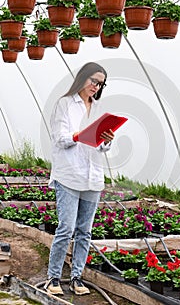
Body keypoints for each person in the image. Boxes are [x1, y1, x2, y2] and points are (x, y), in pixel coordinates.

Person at [44, 62, 114, 296]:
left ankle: (77, 277)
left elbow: (102, 147)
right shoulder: (65, 104)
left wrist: (106, 139)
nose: (96, 86)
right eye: (93, 80)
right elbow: (60, 138)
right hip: (69, 174)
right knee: (66, 228)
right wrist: (80, 135)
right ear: (83, 77)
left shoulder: (98, 108)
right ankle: (53, 277)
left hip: (92, 176)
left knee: (84, 231)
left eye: (100, 83)